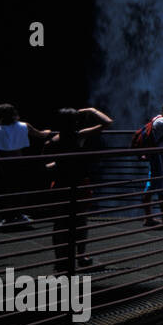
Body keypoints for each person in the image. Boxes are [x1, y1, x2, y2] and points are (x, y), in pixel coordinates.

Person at [46, 107, 113, 268]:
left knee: (60, 223)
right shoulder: (79, 136)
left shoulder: (52, 141)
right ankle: (81, 256)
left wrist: (58, 164)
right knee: (80, 220)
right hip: (79, 182)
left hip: (61, 184)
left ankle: (60, 260)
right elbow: (108, 123)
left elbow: (45, 165)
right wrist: (91, 110)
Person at [0, 104, 53, 227]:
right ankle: (18, 215)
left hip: (3, 164)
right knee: (19, 189)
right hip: (19, 162)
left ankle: (7, 217)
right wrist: (48, 132)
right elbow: (41, 135)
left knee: (5, 191)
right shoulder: (24, 126)